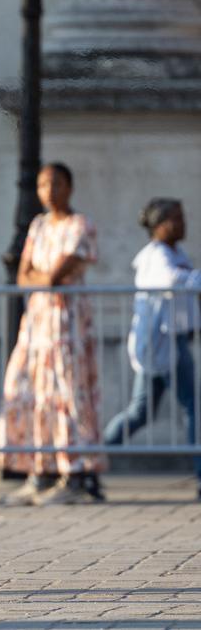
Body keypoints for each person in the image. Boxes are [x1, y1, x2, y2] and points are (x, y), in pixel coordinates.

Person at [0, 162, 106, 506]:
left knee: (67, 394)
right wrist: (41, 276)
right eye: (43, 185)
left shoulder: (80, 225)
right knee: (29, 391)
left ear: (69, 188)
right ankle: (39, 470)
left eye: (55, 184)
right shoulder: (38, 225)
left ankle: (73, 472)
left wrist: (41, 276)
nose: (48, 191)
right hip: (37, 324)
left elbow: (55, 276)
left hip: (67, 324)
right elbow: (23, 276)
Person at [104, 199, 201, 498]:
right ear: (160, 225)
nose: (184, 223)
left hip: (172, 342)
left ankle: (96, 456)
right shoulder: (154, 256)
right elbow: (175, 282)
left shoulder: (175, 252)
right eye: (177, 218)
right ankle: (95, 457)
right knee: (167, 410)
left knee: (160, 411)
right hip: (160, 345)